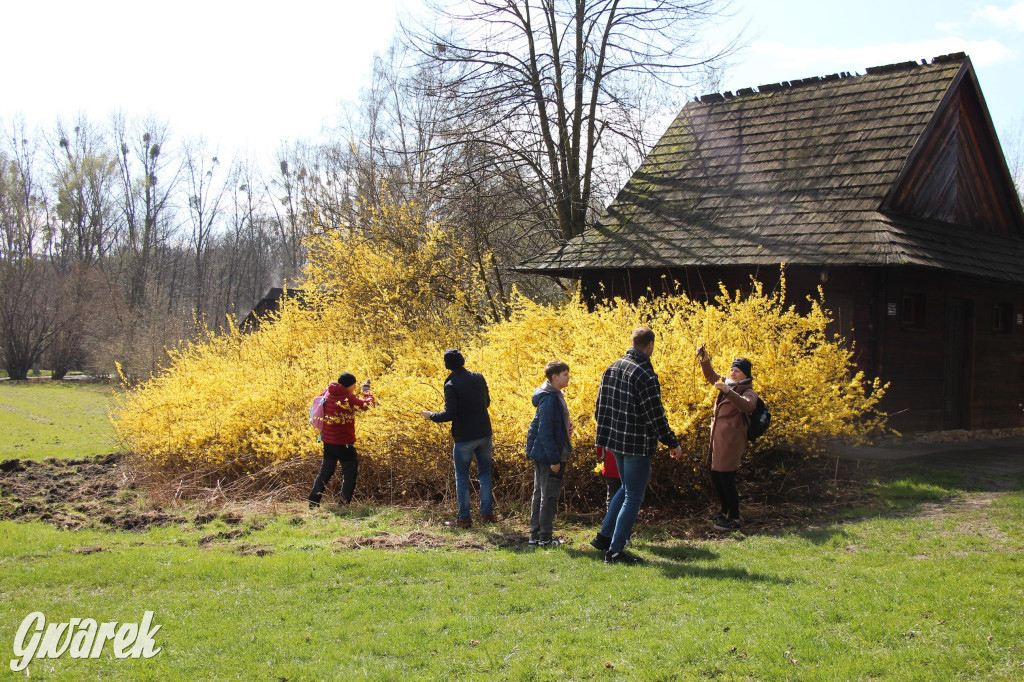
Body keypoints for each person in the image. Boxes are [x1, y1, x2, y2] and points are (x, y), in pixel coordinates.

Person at [590, 327, 681, 564]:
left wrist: (607, 434)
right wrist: (672, 442)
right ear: (650, 345)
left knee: (626, 488)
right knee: (633, 495)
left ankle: (603, 537)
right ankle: (616, 550)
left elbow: (599, 407)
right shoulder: (644, 374)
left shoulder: (613, 368)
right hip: (636, 445)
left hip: (615, 442)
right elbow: (655, 415)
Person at [420, 349, 495, 528]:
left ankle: (464, 519)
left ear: (447, 365)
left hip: (464, 438)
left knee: (462, 477)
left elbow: (450, 414)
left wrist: (431, 416)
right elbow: (487, 403)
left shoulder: (451, 384)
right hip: (484, 433)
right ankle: (487, 516)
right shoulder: (478, 377)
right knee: (485, 475)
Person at [697, 349, 757, 531]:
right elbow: (711, 376)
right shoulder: (728, 384)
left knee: (727, 479)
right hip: (719, 440)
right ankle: (724, 512)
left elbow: (747, 407)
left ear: (745, 375)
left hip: (731, 441)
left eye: (737, 371)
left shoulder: (748, 391)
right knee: (717, 476)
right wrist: (705, 359)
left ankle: (735, 518)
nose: (732, 373)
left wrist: (728, 392)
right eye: (732, 370)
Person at [309, 372, 375, 508]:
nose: (355, 388)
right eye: (354, 385)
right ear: (350, 385)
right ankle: (343, 504)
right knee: (350, 473)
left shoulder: (328, 392)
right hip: (344, 443)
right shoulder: (347, 398)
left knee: (325, 472)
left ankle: (313, 501)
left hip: (328, 442)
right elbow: (368, 405)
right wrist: (366, 391)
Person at [525, 361, 573, 547]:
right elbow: (544, 431)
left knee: (541, 493)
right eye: (565, 374)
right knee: (548, 495)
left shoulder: (554, 395)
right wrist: (554, 459)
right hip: (549, 454)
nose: (568, 377)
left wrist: (565, 427)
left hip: (548, 451)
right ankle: (543, 537)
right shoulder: (549, 398)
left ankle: (536, 535)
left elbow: (551, 425)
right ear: (554, 377)